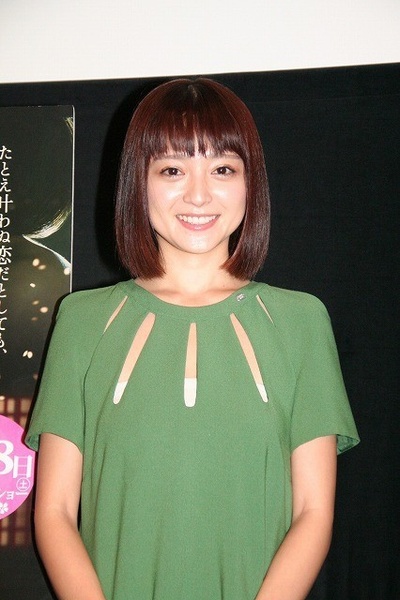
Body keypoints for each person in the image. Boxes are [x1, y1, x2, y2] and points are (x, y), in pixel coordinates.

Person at [26, 78, 359, 600]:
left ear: (251, 183)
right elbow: (54, 512)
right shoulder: (82, 321)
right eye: (172, 169)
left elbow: (313, 512)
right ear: (138, 181)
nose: (199, 194)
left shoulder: (301, 323)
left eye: (223, 169)